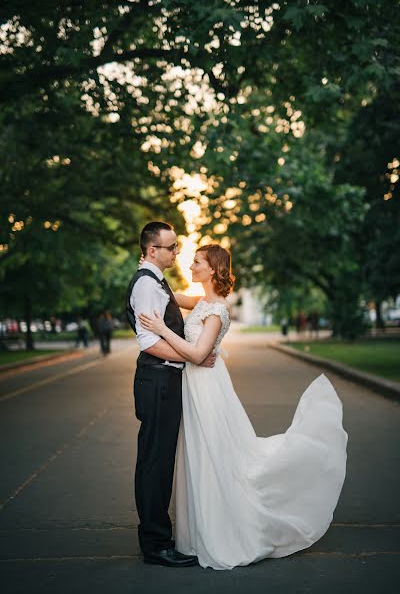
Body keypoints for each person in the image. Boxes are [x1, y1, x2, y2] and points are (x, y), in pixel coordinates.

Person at [139, 244, 348, 570]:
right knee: (198, 454)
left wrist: (163, 329)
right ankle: (198, 530)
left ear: (212, 269)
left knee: (214, 454)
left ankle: (229, 527)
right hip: (194, 385)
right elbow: (169, 296)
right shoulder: (202, 302)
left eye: (196, 262)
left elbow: (198, 355)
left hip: (206, 388)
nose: (190, 266)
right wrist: (149, 269)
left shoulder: (217, 310)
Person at [126, 222, 216, 568]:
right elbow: (149, 341)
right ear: (152, 251)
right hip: (157, 380)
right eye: (171, 247)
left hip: (164, 380)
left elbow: (195, 303)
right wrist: (196, 355)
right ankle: (156, 545)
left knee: (160, 462)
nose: (176, 253)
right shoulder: (147, 285)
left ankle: (157, 538)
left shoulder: (157, 282)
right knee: (155, 463)